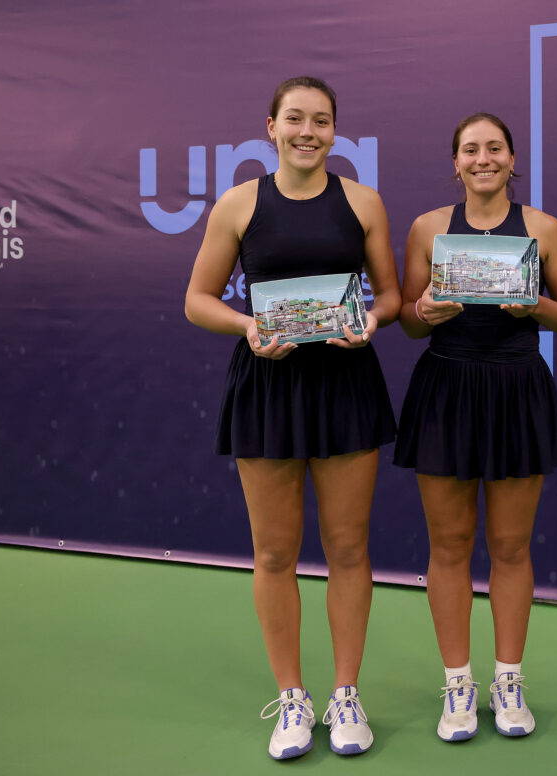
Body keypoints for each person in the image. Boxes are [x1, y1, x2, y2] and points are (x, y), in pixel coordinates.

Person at [184, 76, 401, 760]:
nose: (309, 131)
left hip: (346, 386)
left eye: (323, 120)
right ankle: (293, 698)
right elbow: (197, 299)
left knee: (348, 549)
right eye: (296, 119)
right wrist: (246, 325)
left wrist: (370, 319)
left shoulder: (363, 202)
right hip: (267, 386)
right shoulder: (239, 204)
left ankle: (345, 695)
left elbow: (391, 296)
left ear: (337, 131)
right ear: (271, 125)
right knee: (275, 552)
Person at [394, 112, 557, 741]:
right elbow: (410, 320)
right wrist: (423, 308)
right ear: (455, 162)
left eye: (494, 148)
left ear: (512, 159)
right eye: (470, 150)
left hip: (516, 389)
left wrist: (537, 306)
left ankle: (509, 680)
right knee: (448, 547)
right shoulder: (427, 228)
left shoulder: (542, 228)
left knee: (509, 547)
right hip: (446, 387)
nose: (483, 158)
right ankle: (457, 684)